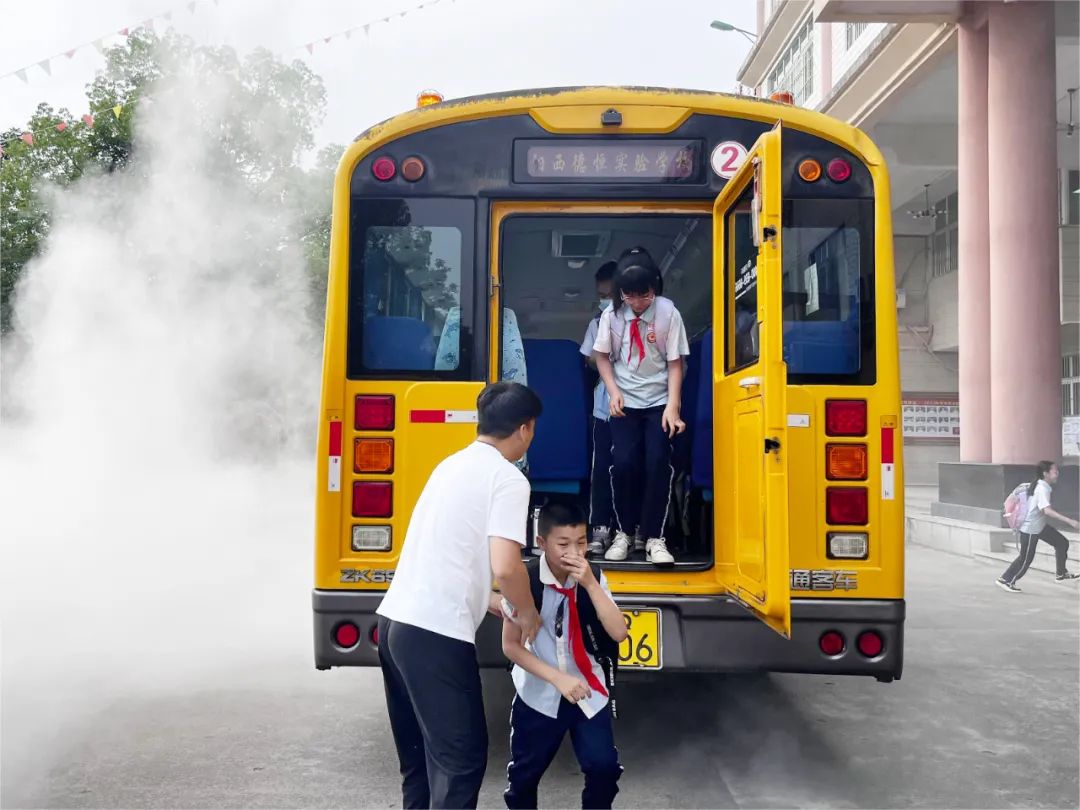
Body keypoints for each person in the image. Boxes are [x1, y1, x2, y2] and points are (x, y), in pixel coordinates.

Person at [376, 381, 545, 809]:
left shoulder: (450, 464)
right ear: (525, 430)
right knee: (461, 762)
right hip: (434, 633)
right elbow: (506, 565)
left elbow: (449, 551)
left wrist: (485, 599)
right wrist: (527, 614)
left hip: (395, 621)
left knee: (420, 763)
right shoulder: (508, 478)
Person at [501, 501, 628, 809]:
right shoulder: (525, 579)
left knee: (604, 768)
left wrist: (590, 584)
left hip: (588, 690)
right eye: (563, 544)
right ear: (542, 543)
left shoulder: (593, 576)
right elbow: (511, 646)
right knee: (524, 776)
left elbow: (619, 632)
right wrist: (558, 679)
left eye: (581, 542)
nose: (574, 552)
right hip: (539, 692)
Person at [593, 247, 689, 565]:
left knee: (658, 463)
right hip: (626, 400)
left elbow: (676, 363)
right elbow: (602, 357)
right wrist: (612, 391)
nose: (638, 303)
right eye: (630, 296)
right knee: (623, 464)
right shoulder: (612, 315)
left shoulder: (668, 313)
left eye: (644, 295)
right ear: (621, 293)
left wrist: (673, 406)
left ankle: (653, 538)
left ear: (655, 288)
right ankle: (624, 532)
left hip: (659, 400)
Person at [996, 460, 1080, 593]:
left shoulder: (1042, 485)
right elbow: (1046, 510)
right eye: (1055, 472)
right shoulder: (1042, 488)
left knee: (1061, 543)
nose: (1057, 474)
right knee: (1025, 559)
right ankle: (1006, 580)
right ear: (1045, 473)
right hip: (1030, 529)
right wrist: (1070, 521)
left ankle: (1061, 574)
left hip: (1039, 526)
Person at [580, 261, 617, 556]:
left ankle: (632, 530)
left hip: (638, 408)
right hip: (603, 410)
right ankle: (600, 527)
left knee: (631, 469)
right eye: (600, 295)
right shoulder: (596, 323)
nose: (603, 300)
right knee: (601, 469)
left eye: (607, 294)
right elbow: (590, 358)